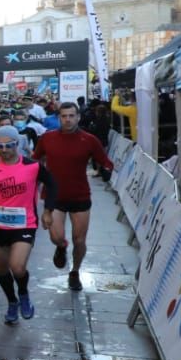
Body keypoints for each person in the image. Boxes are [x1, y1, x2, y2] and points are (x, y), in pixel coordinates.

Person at [0, 126, 57, 325]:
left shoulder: (32, 166)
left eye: (9, 145)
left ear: (17, 144)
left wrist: (48, 210)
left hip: (24, 225)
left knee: (17, 267)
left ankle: (24, 295)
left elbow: (52, 184)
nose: (4, 150)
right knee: (1, 267)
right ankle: (12, 301)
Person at [35, 102, 114, 292]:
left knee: (79, 240)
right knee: (56, 237)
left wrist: (109, 168)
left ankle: (75, 272)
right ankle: (61, 247)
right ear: (59, 118)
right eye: (64, 116)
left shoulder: (89, 140)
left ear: (78, 117)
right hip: (54, 196)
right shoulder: (47, 138)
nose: (68, 119)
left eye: (71, 115)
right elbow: (35, 160)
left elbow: (105, 161)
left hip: (79, 196)